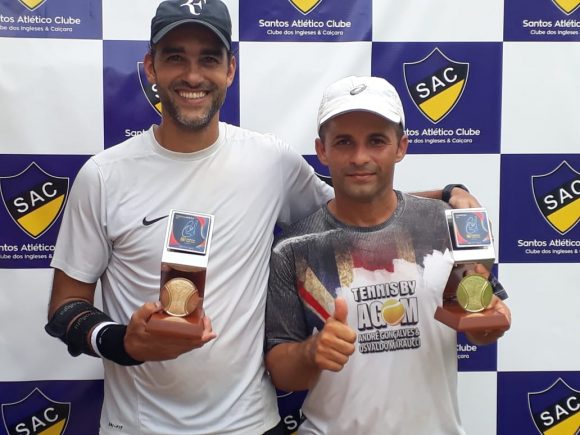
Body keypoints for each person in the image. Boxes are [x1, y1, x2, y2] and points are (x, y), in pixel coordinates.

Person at [44, 1, 481, 434]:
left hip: (251, 424)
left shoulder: (270, 161)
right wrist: (123, 342)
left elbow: (355, 201)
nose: (193, 76)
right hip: (138, 427)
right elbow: (65, 308)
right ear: (150, 67)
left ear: (230, 70)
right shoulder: (104, 176)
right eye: (175, 57)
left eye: (209, 59)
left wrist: (446, 195)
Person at [265, 76, 511, 434]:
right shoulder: (293, 248)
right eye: (344, 142)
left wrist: (489, 326)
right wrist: (311, 352)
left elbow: (483, 320)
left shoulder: (447, 224)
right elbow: (281, 371)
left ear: (401, 147)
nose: (360, 157)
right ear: (322, 150)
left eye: (376, 141)